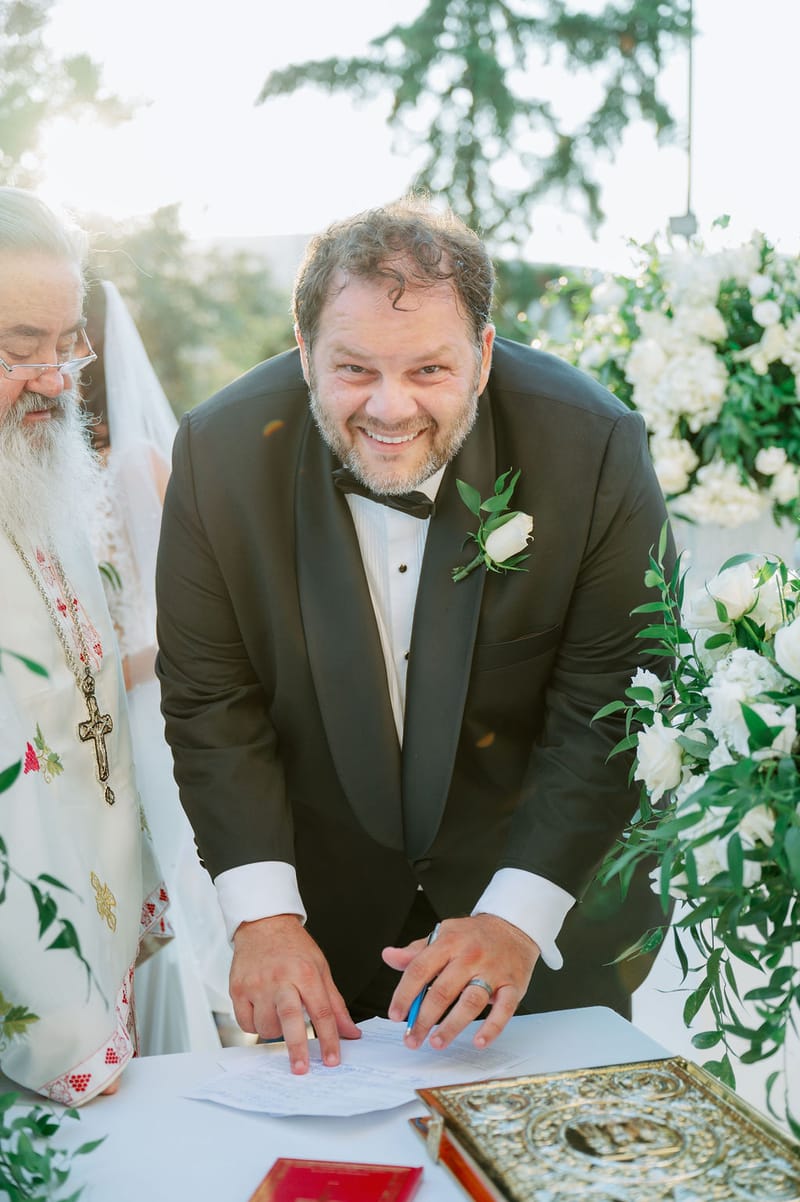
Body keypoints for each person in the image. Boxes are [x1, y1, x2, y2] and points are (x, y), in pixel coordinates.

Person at [155, 198, 675, 1077]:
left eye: (429, 369)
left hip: (543, 926)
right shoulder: (219, 453)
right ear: (303, 347)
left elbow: (609, 703)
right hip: (317, 945)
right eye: (353, 368)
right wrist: (265, 916)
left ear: (483, 354)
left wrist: (515, 915)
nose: (390, 409)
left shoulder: (592, 446)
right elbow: (214, 702)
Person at [0, 187, 169, 1103]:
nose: (58, 380)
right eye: (20, 352)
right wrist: (59, 1027)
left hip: (96, 950)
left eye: (67, 346)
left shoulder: (36, 476)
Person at [80, 279, 233, 1054]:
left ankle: (171, 1046)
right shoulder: (40, 465)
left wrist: (99, 669)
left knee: (155, 881)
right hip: (70, 721)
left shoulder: (139, 464)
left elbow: (187, 624)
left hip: (135, 709)